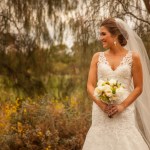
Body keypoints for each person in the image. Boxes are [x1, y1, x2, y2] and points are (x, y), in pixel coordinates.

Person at [82, 18, 150, 150]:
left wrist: (121, 106)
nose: (100, 38)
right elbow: (90, 86)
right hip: (100, 111)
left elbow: (138, 87)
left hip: (124, 110)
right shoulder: (97, 57)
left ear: (116, 35)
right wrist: (102, 105)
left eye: (103, 34)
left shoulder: (133, 57)